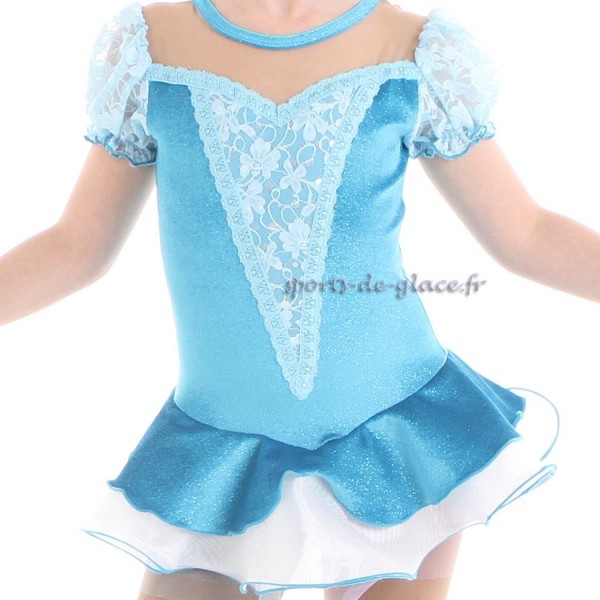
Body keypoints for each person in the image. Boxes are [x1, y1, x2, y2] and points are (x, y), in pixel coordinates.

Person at [1, 0, 599, 598]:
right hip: (218, 454)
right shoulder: (149, 47)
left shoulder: (415, 51)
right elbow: (75, 247)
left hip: (399, 440)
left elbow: (525, 233)